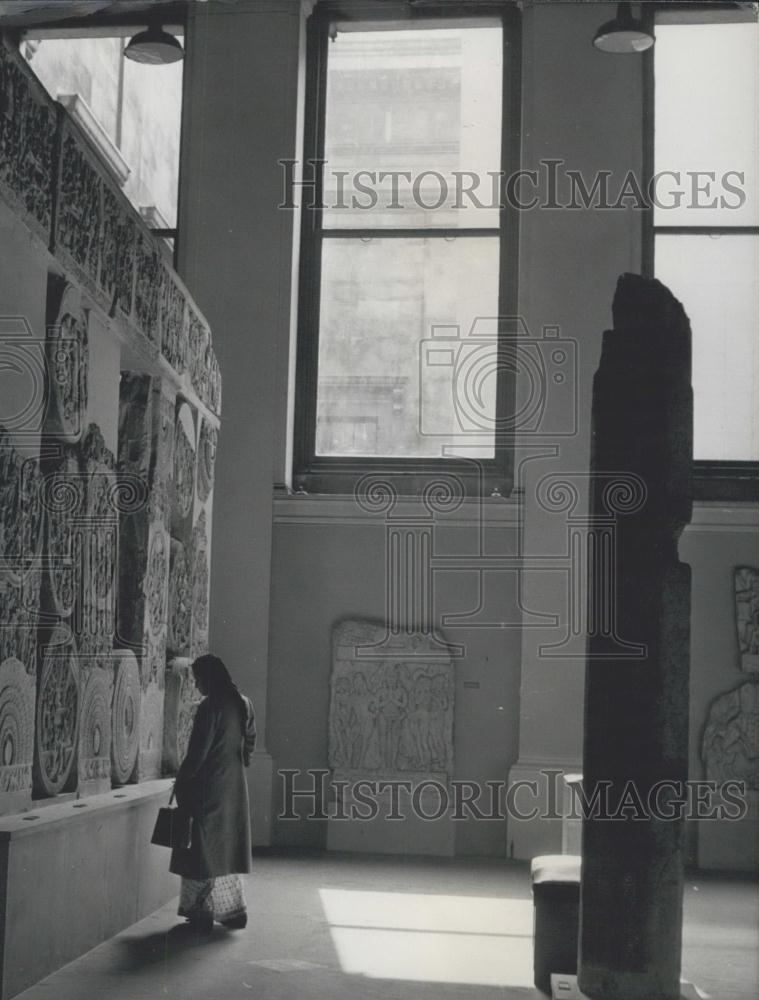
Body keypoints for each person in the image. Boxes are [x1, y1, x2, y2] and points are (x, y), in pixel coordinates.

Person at [170, 654, 256, 931]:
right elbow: (249, 743)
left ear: (210, 678)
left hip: (207, 787)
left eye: (198, 680)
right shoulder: (242, 703)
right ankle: (232, 910)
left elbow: (197, 753)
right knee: (225, 849)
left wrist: (182, 780)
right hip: (232, 786)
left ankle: (201, 914)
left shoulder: (211, 706)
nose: (196, 686)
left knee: (201, 850)